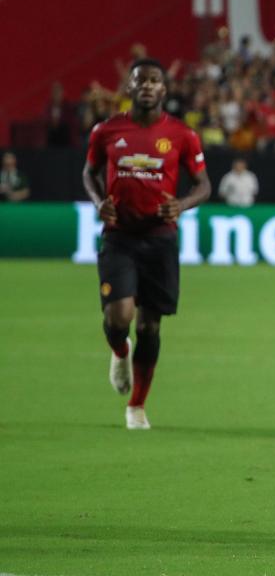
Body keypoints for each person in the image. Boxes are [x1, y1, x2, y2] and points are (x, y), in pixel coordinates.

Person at [81, 58, 211, 430]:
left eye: (155, 80)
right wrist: (97, 202)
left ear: (164, 90)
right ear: (130, 87)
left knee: (150, 326)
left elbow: (203, 185)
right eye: (141, 80)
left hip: (160, 240)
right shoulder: (107, 130)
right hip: (119, 236)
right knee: (118, 317)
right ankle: (119, 351)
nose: (148, 86)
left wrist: (181, 204)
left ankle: (136, 406)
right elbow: (88, 173)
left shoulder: (183, 134)